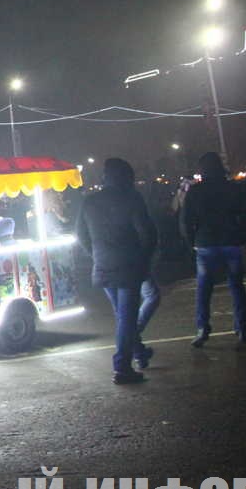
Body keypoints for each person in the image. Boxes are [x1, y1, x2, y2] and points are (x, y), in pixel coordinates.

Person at [76, 158, 158, 383]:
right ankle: (122, 367)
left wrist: (96, 255)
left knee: (123, 317)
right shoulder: (131, 198)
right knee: (126, 318)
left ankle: (139, 352)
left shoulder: (90, 201)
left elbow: (81, 235)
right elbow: (147, 233)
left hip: (103, 266)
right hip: (128, 266)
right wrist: (144, 260)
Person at [181, 152, 246, 347]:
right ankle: (242, 328)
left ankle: (202, 329)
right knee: (236, 286)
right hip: (230, 240)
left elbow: (186, 220)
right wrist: (243, 236)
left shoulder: (195, 191)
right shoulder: (232, 188)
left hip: (205, 242)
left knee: (204, 288)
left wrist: (190, 242)